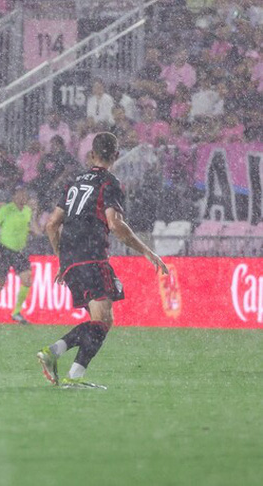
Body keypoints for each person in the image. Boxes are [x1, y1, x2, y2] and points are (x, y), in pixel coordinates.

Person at [37, 132, 168, 389]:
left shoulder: (73, 183)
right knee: (104, 320)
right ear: (116, 155)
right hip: (93, 257)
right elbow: (115, 224)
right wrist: (147, 251)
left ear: (91, 154)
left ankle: (59, 359)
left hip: (71, 259)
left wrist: (61, 259)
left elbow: (52, 224)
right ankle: (68, 370)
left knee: (98, 321)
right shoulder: (108, 182)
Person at [0, 186, 40, 325]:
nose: (23, 197)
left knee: (27, 280)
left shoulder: (27, 211)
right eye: (19, 194)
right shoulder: (6, 209)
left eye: (25, 194)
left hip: (20, 251)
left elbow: (35, 231)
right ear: (14, 197)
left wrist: (34, 216)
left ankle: (16, 312)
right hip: (4, 250)